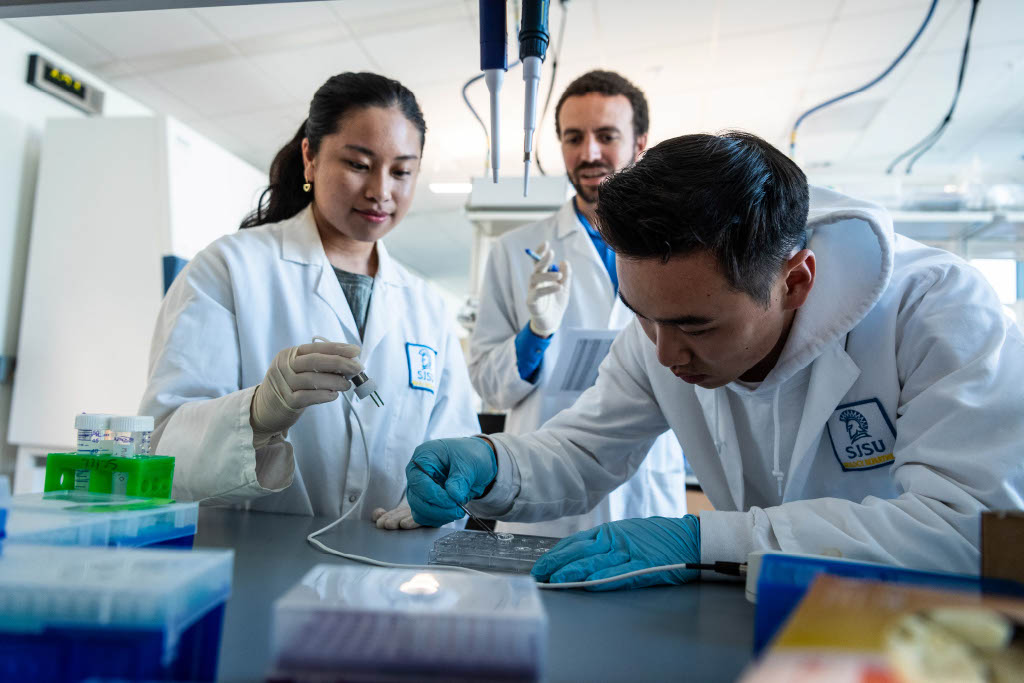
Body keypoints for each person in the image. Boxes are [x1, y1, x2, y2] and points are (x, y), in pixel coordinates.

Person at [404, 131, 1024, 588]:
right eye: (642, 314)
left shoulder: (934, 309)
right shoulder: (657, 333)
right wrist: (492, 464)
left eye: (696, 325)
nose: (665, 352)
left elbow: (974, 530)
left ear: (796, 282)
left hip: (911, 633)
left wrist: (709, 539)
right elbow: (585, 450)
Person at [140, 72, 479, 521]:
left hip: (389, 569)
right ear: (310, 157)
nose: (381, 191)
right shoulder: (230, 269)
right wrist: (256, 417)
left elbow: (457, 449)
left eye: (401, 171)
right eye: (359, 164)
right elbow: (161, 449)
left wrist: (442, 495)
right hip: (254, 566)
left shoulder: (427, 306)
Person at [470, 70, 687, 537]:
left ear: (640, 142)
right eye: (574, 138)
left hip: (644, 487)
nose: (589, 153)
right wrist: (536, 336)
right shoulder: (515, 250)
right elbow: (489, 383)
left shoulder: (683, 245)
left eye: (606, 136)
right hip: (544, 487)